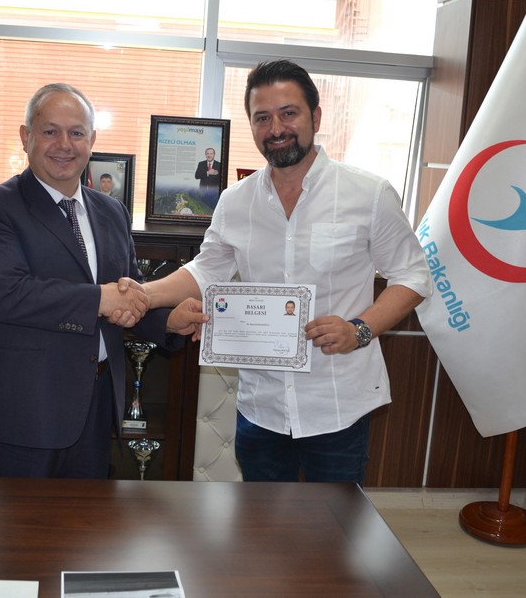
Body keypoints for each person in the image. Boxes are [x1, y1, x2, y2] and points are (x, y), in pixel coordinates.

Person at [145, 60, 431, 485]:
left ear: (316, 117)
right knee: (260, 521)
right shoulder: (235, 202)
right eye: (262, 117)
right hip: (261, 407)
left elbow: (413, 276)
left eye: (288, 113)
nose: (276, 128)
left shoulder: (369, 193)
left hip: (337, 405)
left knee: (333, 523)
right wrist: (144, 294)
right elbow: (205, 271)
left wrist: (359, 330)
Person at [0, 83, 204, 479]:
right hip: (25, 414)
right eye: (50, 131)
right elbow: (9, 295)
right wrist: (100, 299)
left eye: (76, 133)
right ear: (26, 137)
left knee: (86, 522)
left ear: (91, 141)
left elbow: (127, 292)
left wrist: (167, 322)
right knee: (15, 522)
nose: (64, 144)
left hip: (94, 411)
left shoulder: (112, 211)